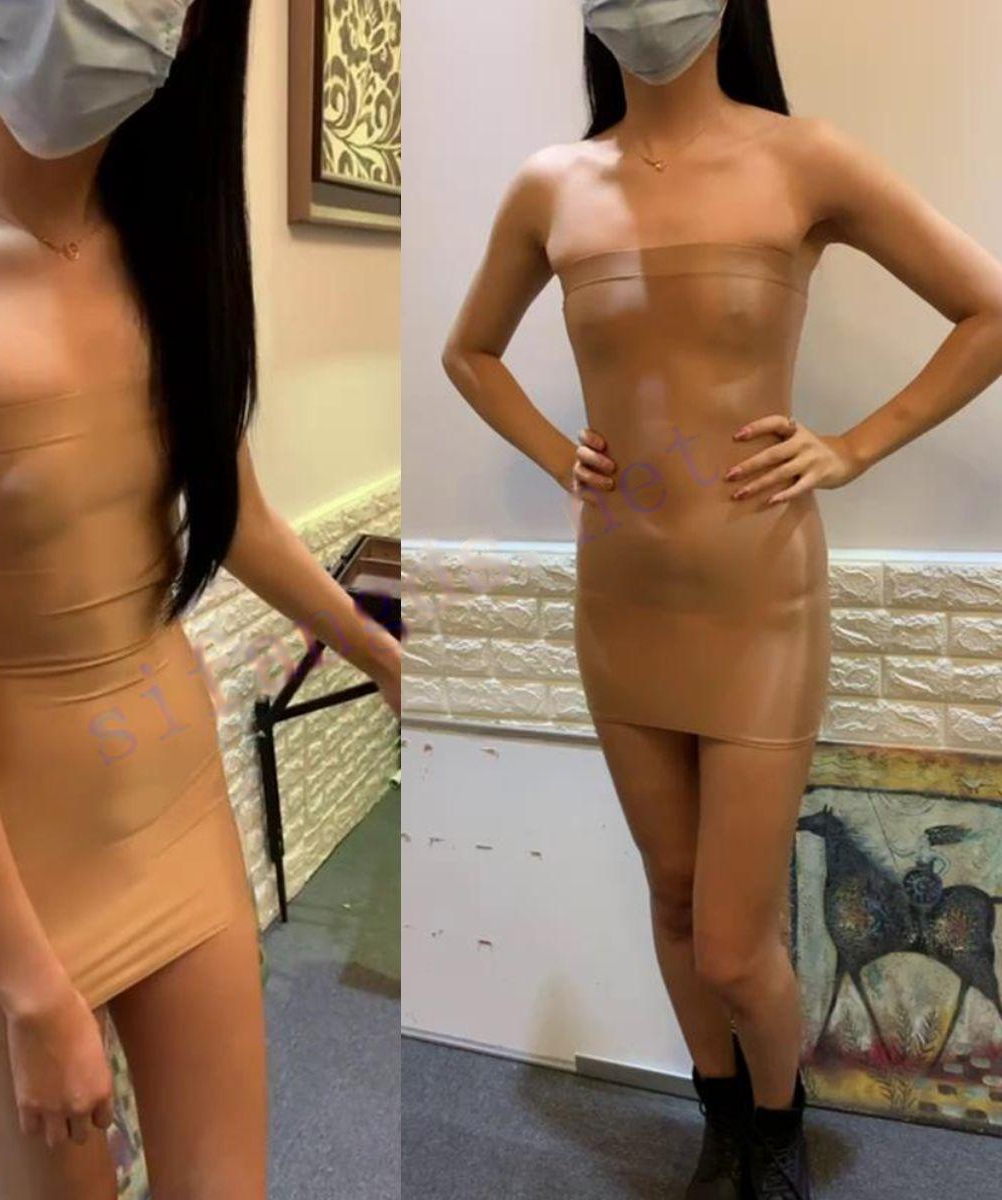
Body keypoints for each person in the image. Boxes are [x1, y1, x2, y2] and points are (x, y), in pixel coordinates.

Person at [0, 2, 402, 1197]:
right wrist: (31, 991)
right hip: (15, 866)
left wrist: (381, 652)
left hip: (180, 810)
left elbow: (238, 517)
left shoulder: (162, 242)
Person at [439, 1, 1002, 1196]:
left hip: (760, 606)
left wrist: (853, 446)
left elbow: (989, 309)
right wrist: (558, 456)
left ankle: (780, 1134)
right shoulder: (552, 186)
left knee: (737, 942)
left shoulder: (804, 160)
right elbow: (468, 352)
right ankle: (720, 1123)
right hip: (620, 600)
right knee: (675, 898)